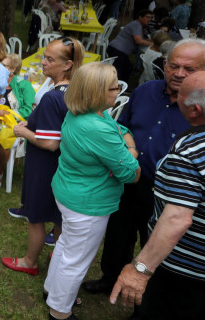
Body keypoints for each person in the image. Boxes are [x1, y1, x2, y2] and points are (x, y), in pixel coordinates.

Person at [82, 39, 205, 297]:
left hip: (171, 192)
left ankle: (146, 293)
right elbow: (123, 128)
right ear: (165, 63)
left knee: (158, 240)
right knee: (118, 234)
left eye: (189, 69)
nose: (179, 73)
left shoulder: (204, 107)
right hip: (129, 180)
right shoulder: (145, 91)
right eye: (174, 66)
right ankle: (111, 277)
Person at [110, 71, 205, 320]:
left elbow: (177, 218)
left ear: (195, 110)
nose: (175, 100)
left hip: (185, 271)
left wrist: (140, 269)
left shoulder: (190, 153)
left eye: (180, 97)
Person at [45, 63, 140, 320]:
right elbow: (132, 173)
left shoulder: (82, 112)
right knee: (76, 260)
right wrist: (132, 151)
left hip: (69, 192)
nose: (118, 90)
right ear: (98, 92)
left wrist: (123, 137)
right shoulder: (96, 127)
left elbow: (118, 129)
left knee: (66, 245)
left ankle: (52, 291)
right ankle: (59, 311)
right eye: (115, 86)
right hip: (87, 203)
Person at [2, 37, 85, 276]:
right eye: (44, 57)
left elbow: (50, 142)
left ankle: (30, 261)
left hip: (44, 164)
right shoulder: (75, 90)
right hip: (66, 164)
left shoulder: (52, 97)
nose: (43, 63)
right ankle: (58, 255)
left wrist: (23, 130)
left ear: (67, 64)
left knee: (36, 215)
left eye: (50, 59)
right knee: (59, 216)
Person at [0, 54, 36, 188]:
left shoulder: (23, 85)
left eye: (4, 65)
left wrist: (8, 113)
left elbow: (29, 109)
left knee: (5, 139)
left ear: (13, 69)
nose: (0, 67)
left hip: (12, 122)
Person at [107, 9, 154, 82]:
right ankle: (115, 85)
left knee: (128, 68)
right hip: (117, 50)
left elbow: (139, 38)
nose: (149, 19)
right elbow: (138, 40)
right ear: (140, 17)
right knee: (120, 70)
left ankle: (121, 85)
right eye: (147, 17)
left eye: (150, 18)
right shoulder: (136, 25)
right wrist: (153, 44)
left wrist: (147, 40)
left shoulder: (138, 25)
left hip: (118, 49)